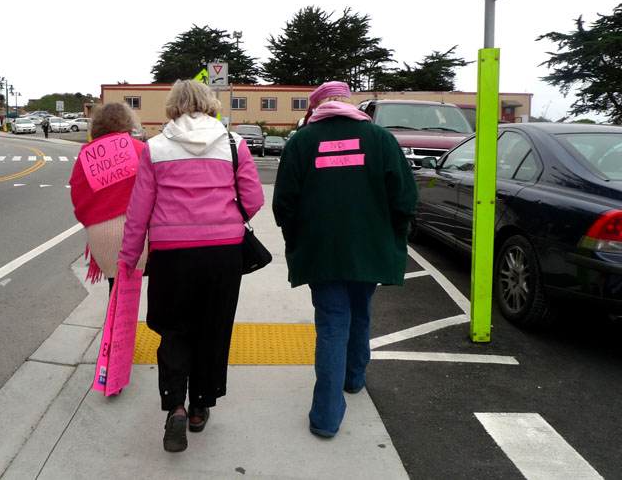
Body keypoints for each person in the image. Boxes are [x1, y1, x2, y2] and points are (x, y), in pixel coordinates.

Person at [118, 79, 264, 453]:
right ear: (209, 103)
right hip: (223, 254)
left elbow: (139, 212)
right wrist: (228, 217)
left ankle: (175, 408)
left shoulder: (155, 148)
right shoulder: (234, 144)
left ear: (172, 105)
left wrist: (128, 258)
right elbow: (254, 198)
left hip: (172, 255)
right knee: (213, 330)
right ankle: (200, 407)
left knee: (174, 331)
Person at [272, 81, 417, 439]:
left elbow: (284, 204)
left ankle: (326, 415)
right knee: (361, 311)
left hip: (321, 250)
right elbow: (404, 198)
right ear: (348, 102)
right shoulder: (380, 139)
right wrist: (394, 236)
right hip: (368, 247)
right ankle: (354, 378)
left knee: (332, 324)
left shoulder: (302, 142)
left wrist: (297, 239)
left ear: (317, 105)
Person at [69, 103, 148, 292]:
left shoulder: (86, 155)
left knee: (117, 295)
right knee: (138, 296)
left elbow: (77, 194)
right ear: (128, 122)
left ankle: (113, 322)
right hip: (136, 233)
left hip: (100, 234)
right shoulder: (141, 149)